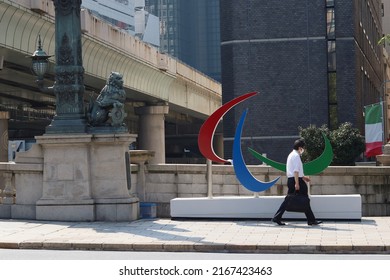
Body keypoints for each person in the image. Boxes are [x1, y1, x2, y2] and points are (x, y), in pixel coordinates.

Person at [271, 138, 322, 226]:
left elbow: (294, 171)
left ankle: (277, 217)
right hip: (296, 180)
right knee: (304, 198)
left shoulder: (291, 155)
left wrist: (303, 177)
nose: (303, 150)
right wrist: (297, 183)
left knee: (288, 199)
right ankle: (311, 220)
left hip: (292, 179)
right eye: (303, 148)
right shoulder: (296, 156)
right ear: (299, 148)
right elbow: (295, 171)